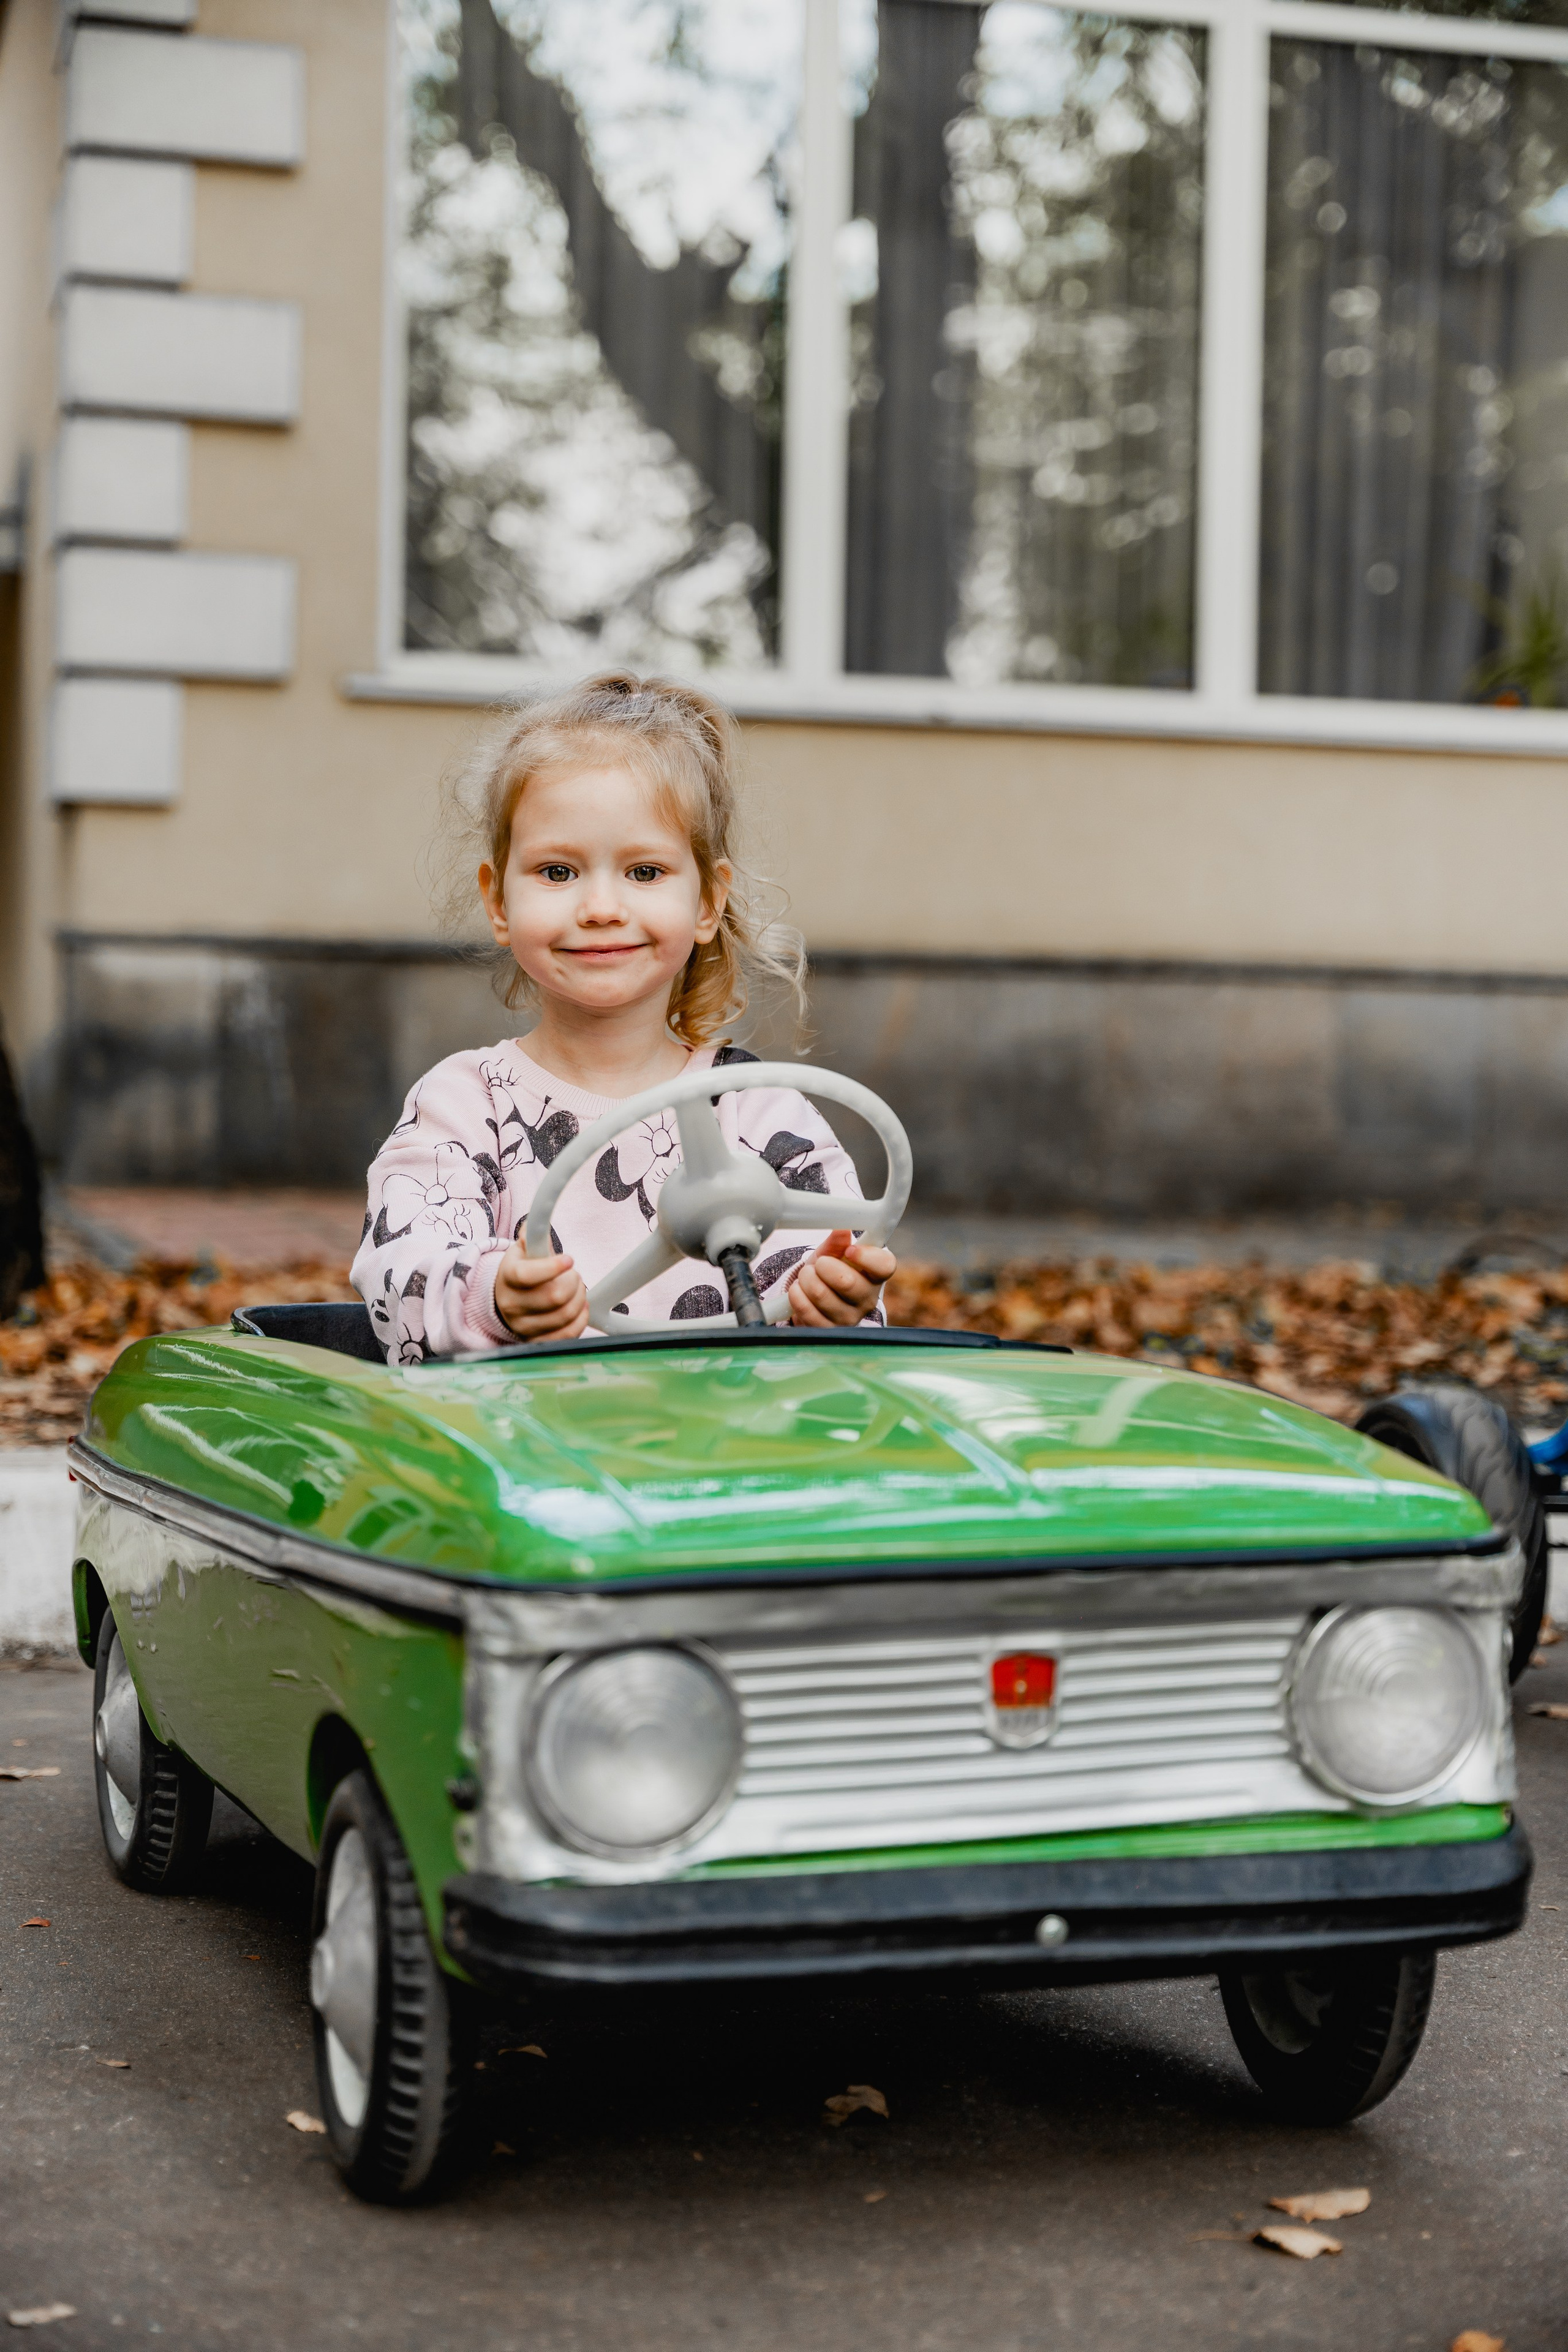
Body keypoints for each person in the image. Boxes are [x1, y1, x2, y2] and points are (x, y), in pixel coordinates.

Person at [352, 671, 896, 1363]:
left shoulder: (759, 1114)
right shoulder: (465, 1106)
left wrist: (829, 1302)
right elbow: (400, 1280)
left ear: (708, 903)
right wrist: (494, 1298)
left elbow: (835, 1287)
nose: (601, 908)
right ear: (498, 901)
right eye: (558, 872)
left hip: (717, 1427)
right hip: (522, 1426)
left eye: (644, 872)